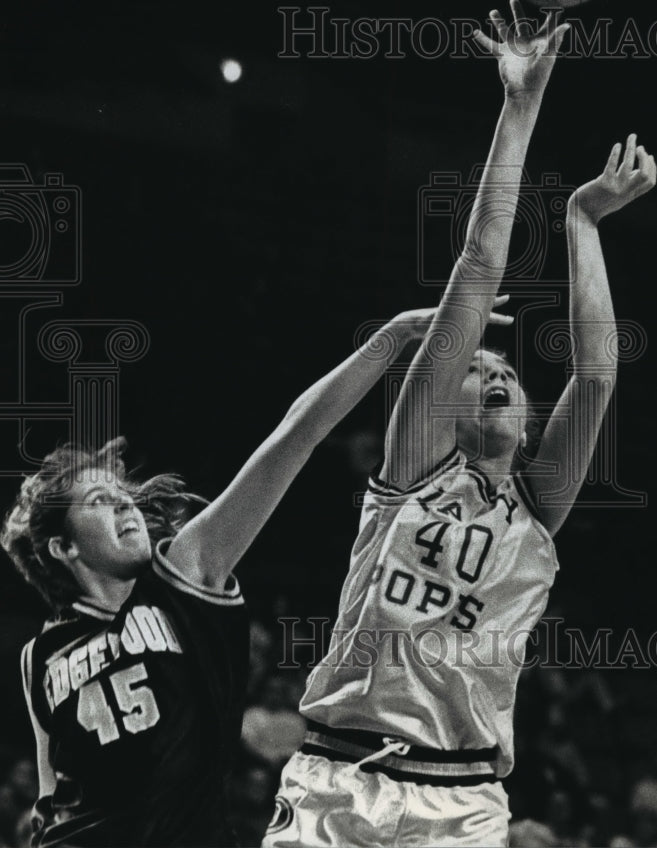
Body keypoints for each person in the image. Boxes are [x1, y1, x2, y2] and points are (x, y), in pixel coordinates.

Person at [262, 0, 656, 848]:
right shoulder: (414, 465)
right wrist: (519, 106)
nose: (492, 372)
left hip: (462, 796)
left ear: (524, 414)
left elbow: (596, 372)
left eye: (505, 372)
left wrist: (582, 222)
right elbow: (479, 265)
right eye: (476, 367)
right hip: (340, 776)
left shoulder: (536, 508)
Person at [0, 300, 510, 848]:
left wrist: (389, 337)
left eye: (125, 496)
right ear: (62, 547)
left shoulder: (185, 574)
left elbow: (297, 434)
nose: (127, 507)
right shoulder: (38, 657)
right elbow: (49, 794)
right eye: (101, 501)